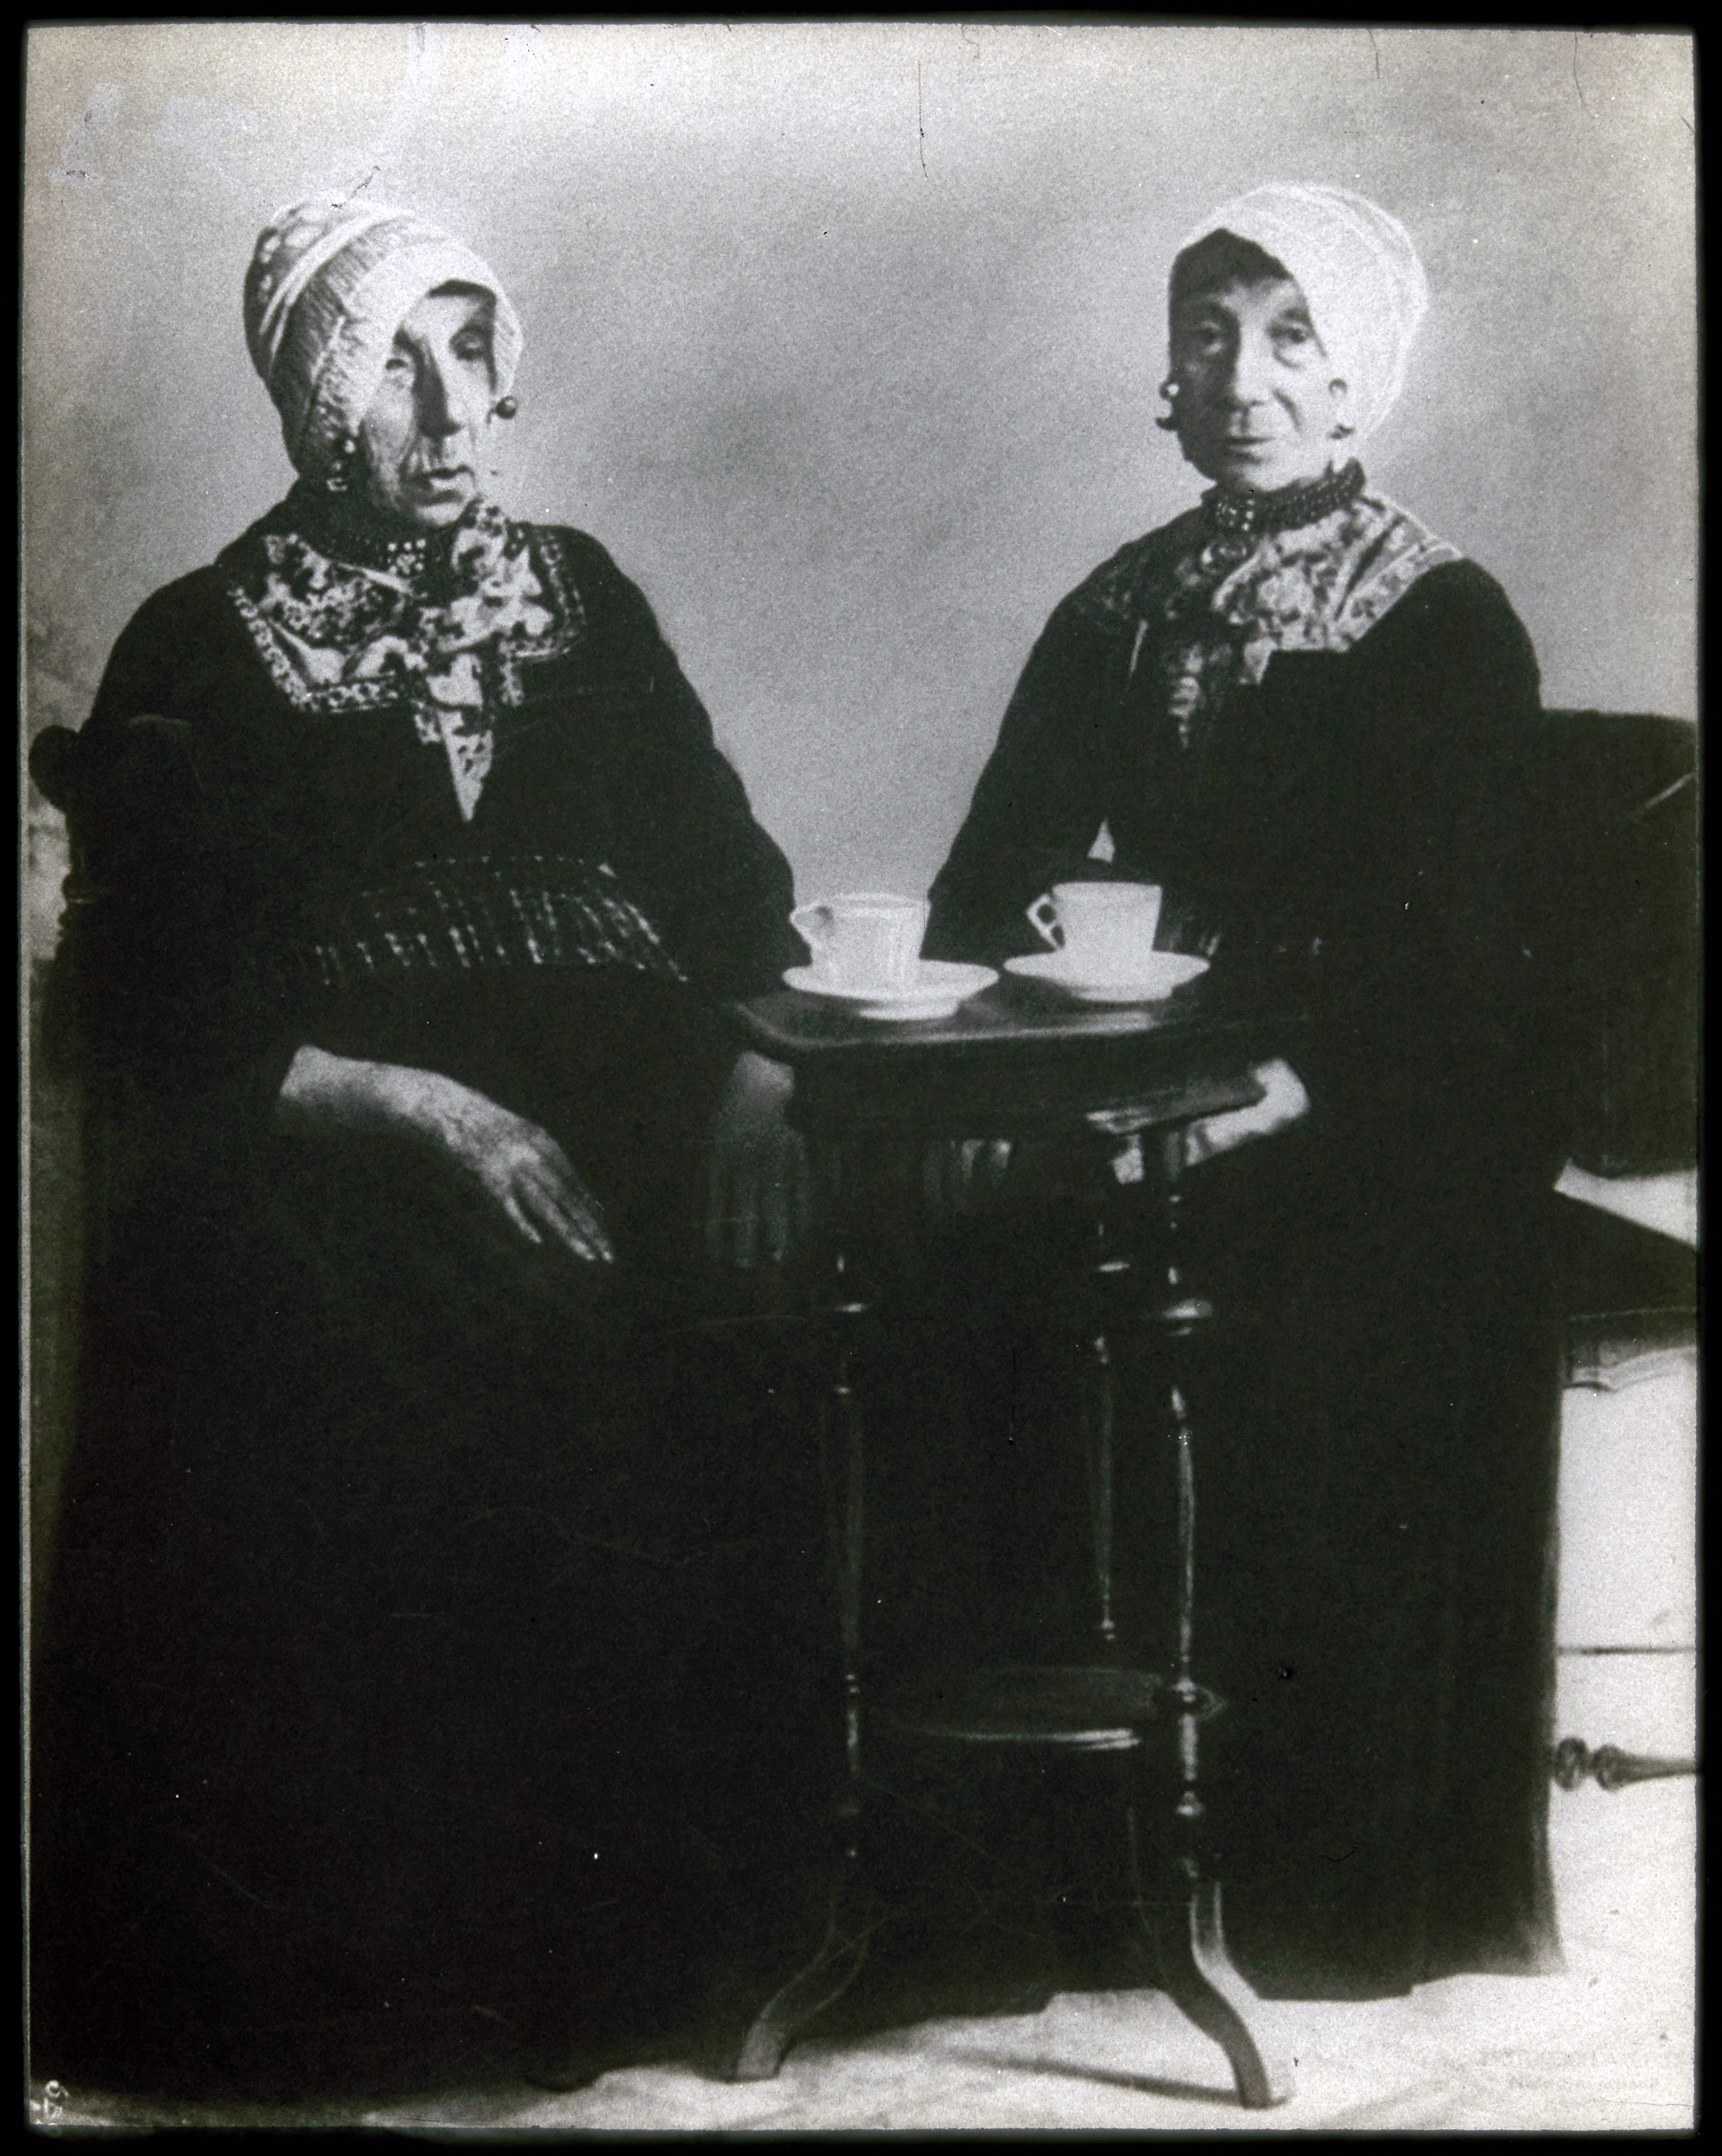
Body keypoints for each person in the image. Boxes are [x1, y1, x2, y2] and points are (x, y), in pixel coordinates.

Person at [29, 197, 823, 2098]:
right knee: (370, 1332)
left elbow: (731, 888)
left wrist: (762, 1086)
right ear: (321, 397)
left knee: (816, 1311)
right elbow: (143, 992)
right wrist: (419, 1104)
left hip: (642, 1116)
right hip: (344, 1147)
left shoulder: (584, 593)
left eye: (475, 352)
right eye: (400, 364)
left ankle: (745, 1937)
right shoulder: (199, 640)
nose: (458, 408)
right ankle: (440, 1977)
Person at [923, 185, 1566, 1999]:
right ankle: (1066, 1875)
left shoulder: (1442, 618)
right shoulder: (1119, 606)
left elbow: (1469, 969)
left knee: (1321, 1299)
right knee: (957, 1278)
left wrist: (1286, 1081)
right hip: (1143, 1101)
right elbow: (983, 890)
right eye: (1207, 335)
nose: (1244, 379)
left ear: (1359, 375)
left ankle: (1319, 1880)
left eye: (1291, 338)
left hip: (1378, 1115)